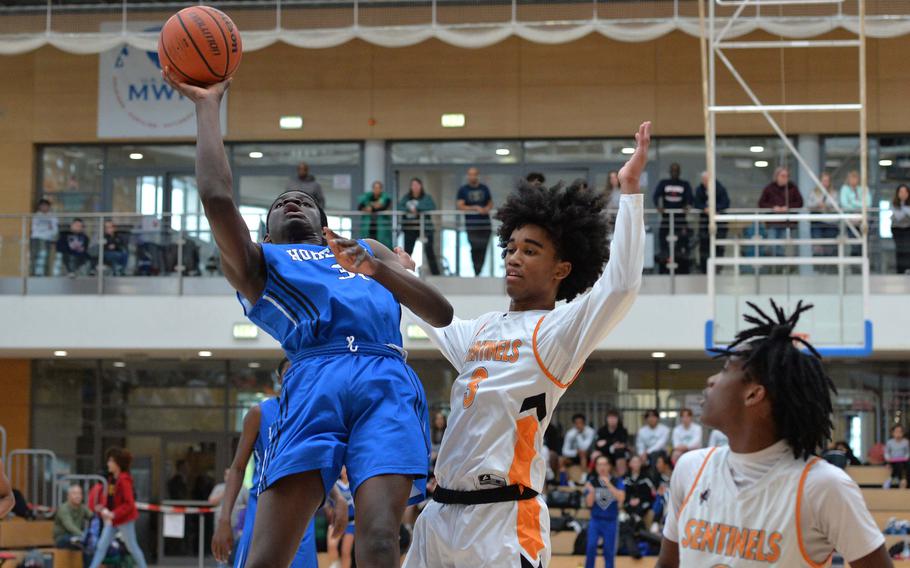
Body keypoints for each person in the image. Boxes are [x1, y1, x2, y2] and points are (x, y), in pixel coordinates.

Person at [163, 70, 453, 568]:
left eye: (305, 202)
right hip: (314, 379)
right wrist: (208, 105)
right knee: (268, 558)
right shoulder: (258, 263)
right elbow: (215, 197)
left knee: (382, 540)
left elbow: (441, 312)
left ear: (325, 228)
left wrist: (378, 266)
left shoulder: (364, 251)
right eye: (280, 204)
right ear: (267, 233)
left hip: (387, 377)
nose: (293, 201)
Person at [402, 122, 650, 567]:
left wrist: (630, 193)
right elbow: (431, 320)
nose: (514, 256)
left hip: (503, 520)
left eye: (531, 250)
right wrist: (404, 274)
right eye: (512, 246)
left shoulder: (556, 333)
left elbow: (621, 287)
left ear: (561, 269)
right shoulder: (478, 331)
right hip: (437, 518)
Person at [655, 300, 891, 568]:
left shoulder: (823, 486)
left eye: (724, 370)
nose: (711, 381)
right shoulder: (690, 469)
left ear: (754, 394)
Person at [215, 358, 347, 568]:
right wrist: (224, 520)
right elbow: (238, 467)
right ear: (279, 378)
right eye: (288, 371)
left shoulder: (315, 416)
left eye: (300, 370)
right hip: (262, 514)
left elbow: (315, 467)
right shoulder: (260, 413)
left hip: (302, 515)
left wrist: (338, 498)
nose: (295, 375)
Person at [88, 448, 148, 568]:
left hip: (124, 519)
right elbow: (110, 499)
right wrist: (103, 507)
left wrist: (113, 514)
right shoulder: (111, 479)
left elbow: (129, 504)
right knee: (101, 546)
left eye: (111, 461)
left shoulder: (124, 480)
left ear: (118, 464)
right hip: (114, 519)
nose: (108, 463)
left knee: (132, 547)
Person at [584, 455, 625, 568]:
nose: (602, 467)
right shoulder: (592, 482)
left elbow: (621, 498)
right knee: (591, 547)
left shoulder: (617, 481)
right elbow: (589, 504)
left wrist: (608, 484)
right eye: (599, 464)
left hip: (611, 521)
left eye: (604, 464)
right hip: (595, 520)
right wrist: (591, 491)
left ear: (609, 466)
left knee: (609, 551)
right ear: (596, 467)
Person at [653, 163, 693, 274]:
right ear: (670, 172)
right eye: (673, 170)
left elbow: (690, 198)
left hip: (680, 217)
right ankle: (665, 256)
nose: (674, 172)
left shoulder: (684, 184)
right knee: (663, 236)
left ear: (679, 172)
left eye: (676, 170)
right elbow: (656, 195)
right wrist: (658, 207)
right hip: (667, 216)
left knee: (682, 239)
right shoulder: (664, 183)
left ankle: (681, 258)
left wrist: (688, 206)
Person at [758, 167, 803, 260]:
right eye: (783, 176)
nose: (785, 178)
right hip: (773, 222)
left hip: (788, 223)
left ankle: (781, 266)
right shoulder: (769, 188)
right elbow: (761, 203)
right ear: (777, 176)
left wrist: (788, 207)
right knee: (772, 245)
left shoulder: (792, 188)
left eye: (787, 176)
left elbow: (800, 202)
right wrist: (773, 208)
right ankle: (775, 266)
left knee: (784, 246)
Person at [456, 167, 494, 276]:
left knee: (483, 249)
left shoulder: (484, 188)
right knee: (475, 248)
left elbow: (490, 203)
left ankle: (479, 271)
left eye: (474, 174)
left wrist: (486, 209)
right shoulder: (463, 190)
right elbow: (461, 206)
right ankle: (476, 271)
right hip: (471, 225)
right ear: (468, 176)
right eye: (470, 174)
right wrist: (475, 208)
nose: (472, 176)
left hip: (485, 225)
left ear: (477, 175)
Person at [398, 178, 440, 275]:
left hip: (425, 227)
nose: (415, 187)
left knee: (429, 251)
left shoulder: (426, 197)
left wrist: (418, 208)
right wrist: (409, 209)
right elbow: (399, 206)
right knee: (407, 251)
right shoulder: (406, 198)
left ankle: (436, 274)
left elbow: (432, 206)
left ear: (421, 186)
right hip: (410, 227)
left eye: (417, 185)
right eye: (413, 185)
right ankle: (403, 273)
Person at [692, 172, 730, 273]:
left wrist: (714, 209)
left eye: (707, 180)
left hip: (719, 222)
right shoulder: (700, 189)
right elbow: (696, 203)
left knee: (719, 246)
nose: (705, 182)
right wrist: (704, 208)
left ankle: (717, 268)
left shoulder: (720, 188)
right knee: (704, 245)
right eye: (704, 180)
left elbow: (725, 203)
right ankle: (704, 268)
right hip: (705, 222)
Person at [621, 454, 655, 559]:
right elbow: (622, 493)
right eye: (633, 462)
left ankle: (636, 520)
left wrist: (639, 499)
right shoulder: (625, 478)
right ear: (630, 464)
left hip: (643, 504)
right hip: (629, 505)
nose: (636, 464)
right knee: (625, 512)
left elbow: (651, 494)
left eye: (638, 462)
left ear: (641, 464)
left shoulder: (646, 477)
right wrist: (629, 500)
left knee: (645, 506)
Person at [807, 172, 839, 258]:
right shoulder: (814, 193)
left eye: (827, 181)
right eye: (823, 181)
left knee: (829, 247)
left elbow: (837, 205)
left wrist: (827, 206)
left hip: (830, 223)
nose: (825, 183)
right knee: (817, 246)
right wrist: (817, 205)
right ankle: (819, 266)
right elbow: (809, 205)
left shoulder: (834, 193)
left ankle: (828, 268)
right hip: (817, 222)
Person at [54, 484, 92, 550]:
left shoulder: (82, 507)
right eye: (75, 493)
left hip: (77, 536)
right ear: (68, 496)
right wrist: (83, 536)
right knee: (76, 541)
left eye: (80, 494)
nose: (78, 496)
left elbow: (92, 517)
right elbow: (69, 526)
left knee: (88, 544)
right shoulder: (63, 508)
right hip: (62, 537)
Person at [358, 181, 393, 249]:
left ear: (381, 189)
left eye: (378, 188)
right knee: (367, 246)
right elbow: (360, 207)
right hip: (369, 228)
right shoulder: (367, 197)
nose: (376, 190)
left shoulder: (386, 198)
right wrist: (372, 207)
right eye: (375, 188)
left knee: (382, 247)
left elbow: (384, 207)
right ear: (373, 189)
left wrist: (371, 207)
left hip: (381, 229)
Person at [333, 468, 356, 568]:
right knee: (331, 545)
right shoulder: (335, 484)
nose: (345, 470)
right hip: (336, 521)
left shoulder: (354, 482)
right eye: (343, 468)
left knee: (345, 551)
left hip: (351, 522)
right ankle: (334, 565)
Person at [30, 198, 58, 276]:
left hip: (48, 239)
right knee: (34, 256)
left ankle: (46, 274)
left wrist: (44, 229)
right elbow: (34, 228)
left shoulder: (52, 216)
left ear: (49, 207)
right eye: (42, 206)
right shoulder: (36, 216)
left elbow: (55, 230)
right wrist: (47, 228)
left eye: (46, 206)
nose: (44, 207)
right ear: (39, 207)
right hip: (36, 238)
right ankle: (33, 274)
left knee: (46, 258)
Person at [891, 184, 910, 274]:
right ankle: (900, 271)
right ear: (898, 193)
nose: (903, 194)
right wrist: (906, 210)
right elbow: (898, 217)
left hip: (908, 229)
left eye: (905, 192)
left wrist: (903, 210)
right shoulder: (894, 204)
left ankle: (908, 269)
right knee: (899, 249)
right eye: (901, 192)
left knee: (907, 248)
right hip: (897, 229)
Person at [886, 424, 909, 489]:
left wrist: (906, 457)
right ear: (893, 433)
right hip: (893, 461)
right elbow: (887, 453)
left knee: (902, 464)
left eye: (900, 432)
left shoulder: (906, 442)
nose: (898, 434)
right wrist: (888, 459)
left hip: (903, 461)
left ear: (903, 433)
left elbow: (907, 452)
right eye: (896, 432)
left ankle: (891, 478)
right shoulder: (889, 442)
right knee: (898, 465)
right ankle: (902, 480)